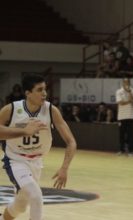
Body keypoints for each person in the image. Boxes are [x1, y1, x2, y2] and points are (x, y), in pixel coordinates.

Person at [0, 74, 77, 220]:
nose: (44, 94)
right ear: (28, 93)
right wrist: (24, 130)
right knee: (35, 196)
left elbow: (71, 142)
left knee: (21, 205)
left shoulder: (51, 110)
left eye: (45, 89)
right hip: (15, 160)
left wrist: (64, 168)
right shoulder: (11, 109)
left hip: (37, 162)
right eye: (40, 90)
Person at [116, 78, 133, 155]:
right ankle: (121, 150)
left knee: (131, 134)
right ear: (123, 83)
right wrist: (129, 101)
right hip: (122, 116)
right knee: (122, 134)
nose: (126, 83)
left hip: (131, 115)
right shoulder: (119, 91)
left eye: (128, 82)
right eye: (125, 82)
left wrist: (129, 93)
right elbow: (120, 102)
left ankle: (131, 150)